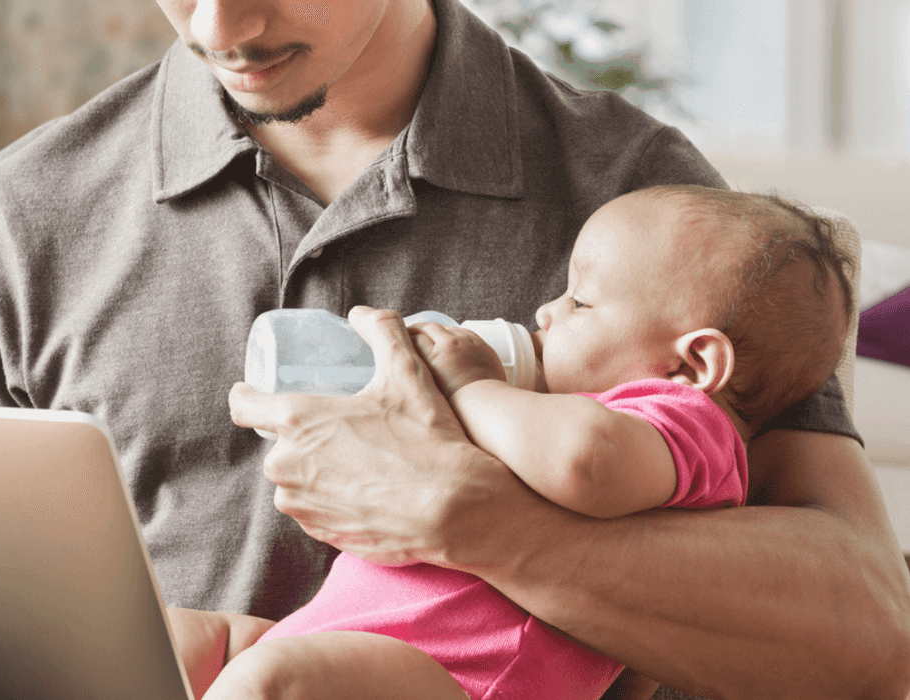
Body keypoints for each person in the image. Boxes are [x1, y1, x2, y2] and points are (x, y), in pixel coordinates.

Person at [0, 0, 910, 698]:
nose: (223, 21)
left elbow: (867, 631)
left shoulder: (645, 210)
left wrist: (479, 523)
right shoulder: (27, 211)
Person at [167, 184, 853, 700]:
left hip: (455, 678)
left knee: (273, 681)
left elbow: (585, 462)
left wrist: (469, 387)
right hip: (343, 643)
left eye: (581, 304)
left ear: (693, 364)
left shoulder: (684, 425)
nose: (545, 313)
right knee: (173, 637)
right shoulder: (565, 414)